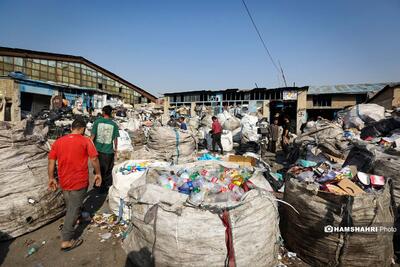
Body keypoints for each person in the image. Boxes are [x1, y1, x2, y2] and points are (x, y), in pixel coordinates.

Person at [48, 118, 101, 251]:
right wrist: (98, 173)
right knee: (73, 209)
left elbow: (51, 161)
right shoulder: (85, 141)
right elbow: (94, 158)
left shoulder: (59, 141)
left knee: (71, 204)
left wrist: (51, 178)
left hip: (64, 181)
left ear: (72, 128)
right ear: (82, 129)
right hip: (79, 181)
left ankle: (77, 218)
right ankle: (66, 240)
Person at [90, 105, 119, 194]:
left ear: (103, 112)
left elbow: (92, 137)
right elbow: (115, 139)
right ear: (110, 113)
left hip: (97, 150)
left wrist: (89, 148)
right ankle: (103, 187)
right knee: (107, 171)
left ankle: (97, 184)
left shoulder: (97, 122)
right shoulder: (114, 124)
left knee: (97, 168)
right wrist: (116, 149)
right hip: (108, 152)